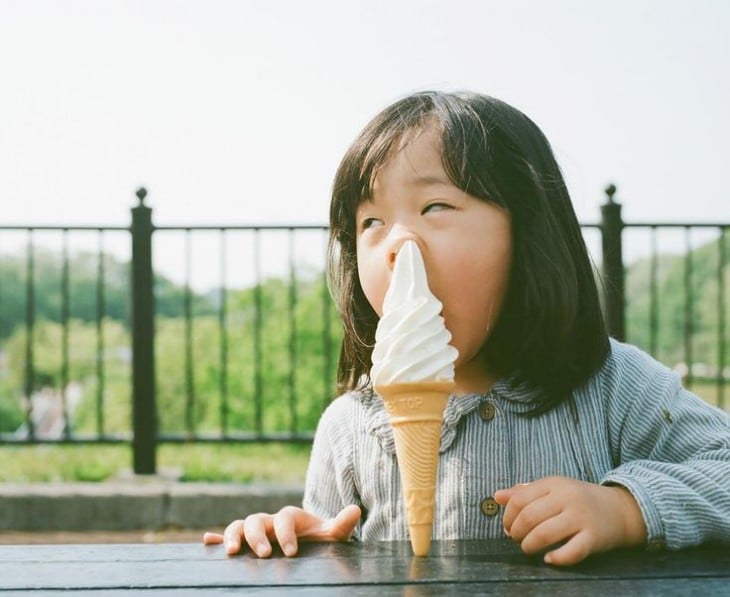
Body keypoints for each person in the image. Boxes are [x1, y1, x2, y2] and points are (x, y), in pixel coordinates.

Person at [203, 90, 730, 565]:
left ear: (527, 234)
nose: (397, 244)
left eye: (435, 206)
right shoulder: (350, 427)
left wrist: (625, 508)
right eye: (371, 222)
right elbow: (335, 540)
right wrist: (306, 537)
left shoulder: (614, 386)